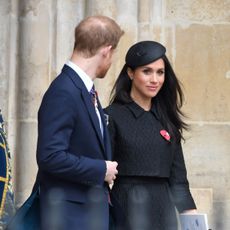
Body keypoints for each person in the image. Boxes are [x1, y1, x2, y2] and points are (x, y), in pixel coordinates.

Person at [36, 15, 124, 230]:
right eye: (113, 55)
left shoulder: (82, 88)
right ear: (106, 51)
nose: (111, 62)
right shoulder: (64, 91)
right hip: (69, 218)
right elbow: (50, 156)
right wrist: (100, 169)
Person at [105, 41, 197, 230]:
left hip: (164, 212)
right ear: (131, 73)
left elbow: (178, 180)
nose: (155, 79)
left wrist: (194, 222)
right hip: (126, 209)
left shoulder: (167, 120)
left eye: (160, 72)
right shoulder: (112, 116)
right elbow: (99, 173)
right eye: (147, 71)